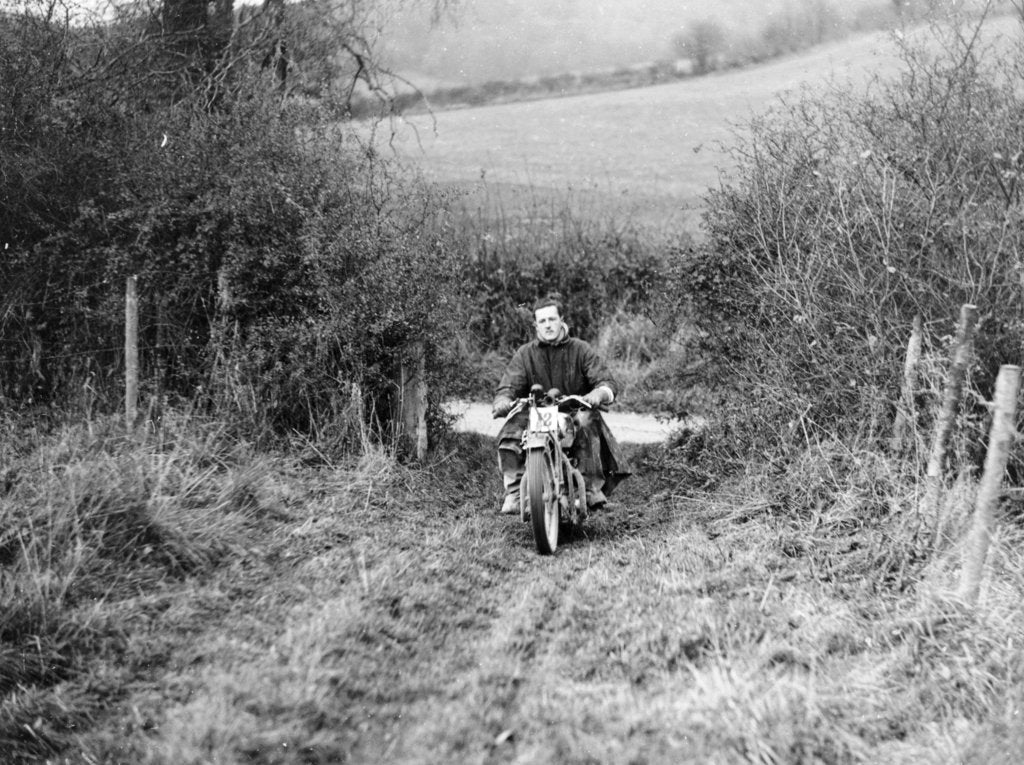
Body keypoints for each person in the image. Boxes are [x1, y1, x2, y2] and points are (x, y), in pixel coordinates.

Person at [491, 294, 631, 514]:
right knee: (510, 434)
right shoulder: (525, 354)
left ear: (561, 320)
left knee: (587, 421)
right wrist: (503, 401)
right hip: (537, 412)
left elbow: (605, 381)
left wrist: (599, 393)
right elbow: (509, 385)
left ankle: (590, 490)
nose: (548, 325)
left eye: (552, 319)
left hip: (573, 409)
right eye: (542, 321)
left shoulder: (580, 349)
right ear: (536, 326)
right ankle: (516, 494)